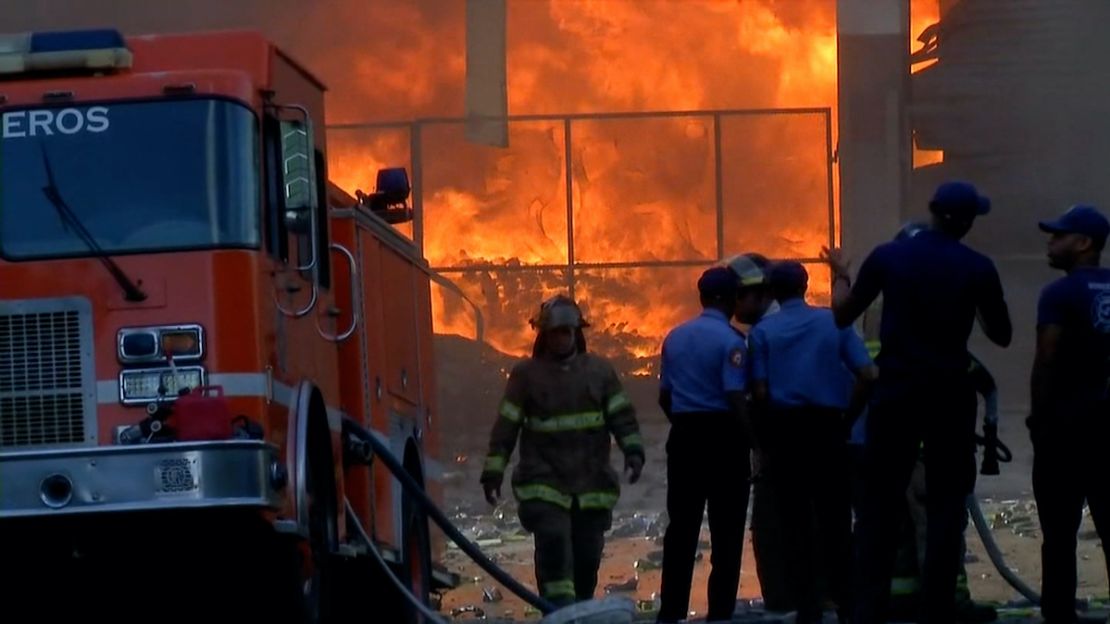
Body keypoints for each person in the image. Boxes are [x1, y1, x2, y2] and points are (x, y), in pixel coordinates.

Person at [823, 180, 1013, 624]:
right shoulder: (978, 267)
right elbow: (1001, 335)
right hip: (950, 399)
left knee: (878, 508)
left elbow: (841, 315)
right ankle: (939, 609)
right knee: (946, 509)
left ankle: (867, 610)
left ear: (931, 210)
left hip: (895, 399)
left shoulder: (888, 257)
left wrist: (841, 275)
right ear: (968, 223)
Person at [479, 294, 645, 608]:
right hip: (543, 481)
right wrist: (493, 470)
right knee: (553, 542)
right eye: (555, 333)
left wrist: (633, 451)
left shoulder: (599, 372)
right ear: (544, 336)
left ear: (577, 334)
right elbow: (506, 427)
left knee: (587, 554)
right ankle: (558, 612)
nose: (561, 338)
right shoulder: (526, 376)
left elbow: (622, 415)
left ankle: (580, 608)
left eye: (567, 332)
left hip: (591, 482)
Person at [748, 260, 878, 624]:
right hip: (829, 432)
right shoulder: (833, 323)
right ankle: (848, 605)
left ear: (772, 291)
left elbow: (758, 391)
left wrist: (767, 436)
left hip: (786, 436)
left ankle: (808, 609)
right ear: (806, 287)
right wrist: (847, 419)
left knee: (794, 525)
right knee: (836, 521)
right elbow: (868, 374)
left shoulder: (762, 333)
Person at [657, 266, 753, 623]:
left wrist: (684, 423)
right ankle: (720, 615)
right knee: (727, 535)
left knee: (680, 531)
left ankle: (671, 613)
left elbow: (665, 395)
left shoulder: (675, 337)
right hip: (725, 442)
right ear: (730, 300)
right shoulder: (733, 342)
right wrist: (752, 441)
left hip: (684, 439)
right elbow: (735, 396)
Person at [1029, 204, 1110, 623]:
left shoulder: (1059, 294)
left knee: (1058, 537)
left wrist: (1037, 420)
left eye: (1058, 235)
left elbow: (1047, 358)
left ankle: (1059, 617)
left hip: (1065, 432)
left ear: (1083, 244)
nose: (1050, 241)